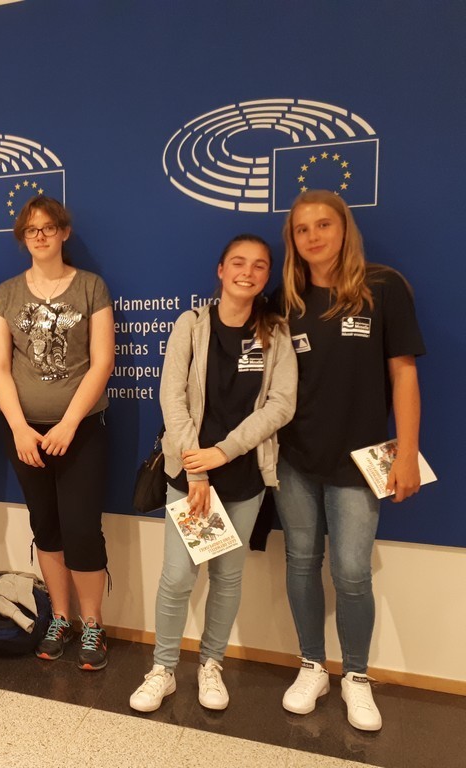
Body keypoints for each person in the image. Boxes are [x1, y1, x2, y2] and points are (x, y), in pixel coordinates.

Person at [273, 190, 425, 731]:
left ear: (344, 229)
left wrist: (407, 454)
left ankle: (356, 675)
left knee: (353, 573)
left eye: (323, 225)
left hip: (361, 461)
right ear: (292, 239)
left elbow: (404, 375)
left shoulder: (382, 288)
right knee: (301, 563)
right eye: (302, 229)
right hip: (294, 459)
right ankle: (312, 665)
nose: (313, 236)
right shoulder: (284, 300)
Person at [128, 235, 297, 711]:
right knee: (177, 577)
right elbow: (172, 398)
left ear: (267, 276)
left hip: (243, 476)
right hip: (190, 475)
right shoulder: (191, 324)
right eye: (238, 263)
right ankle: (163, 669)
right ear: (220, 270)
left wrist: (223, 452)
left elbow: (281, 405)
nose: (248, 272)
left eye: (259, 266)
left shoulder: (276, 333)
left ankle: (211, 664)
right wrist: (197, 469)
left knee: (227, 575)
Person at [0, 195, 114, 671]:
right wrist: (20, 428)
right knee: (47, 526)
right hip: (24, 434)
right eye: (31, 229)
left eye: (48, 227)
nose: (40, 236)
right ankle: (60, 617)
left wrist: (69, 423)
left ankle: (93, 624)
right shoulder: (6, 294)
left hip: (81, 429)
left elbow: (102, 362)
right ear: (23, 237)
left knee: (82, 529)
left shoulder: (91, 287)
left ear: (63, 232)